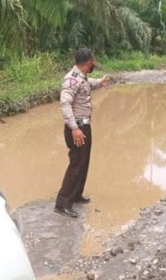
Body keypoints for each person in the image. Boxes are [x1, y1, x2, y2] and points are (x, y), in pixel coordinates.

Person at [54, 48, 109, 218]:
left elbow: (88, 83)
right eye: (93, 61)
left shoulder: (81, 76)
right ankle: (62, 204)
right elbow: (65, 104)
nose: (94, 63)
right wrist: (75, 129)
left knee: (83, 163)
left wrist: (100, 81)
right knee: (76, 165)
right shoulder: (71, 79)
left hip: (84, 126)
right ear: (88, 62)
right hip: (76, 128)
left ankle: (76, 195)